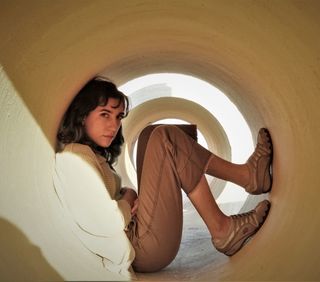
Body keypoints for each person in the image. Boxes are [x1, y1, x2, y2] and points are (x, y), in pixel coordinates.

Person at [54, 76, 273, 276]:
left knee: (150, 134)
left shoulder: (91, 155)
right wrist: (128, 199)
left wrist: (126, 194)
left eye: (118, 116)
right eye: (105, 114)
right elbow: (108, 222)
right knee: (163, 137)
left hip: (139, 234)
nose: (114, 125)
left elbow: (98, 203)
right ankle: (224, 223)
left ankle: (246, 179)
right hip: (141, 250)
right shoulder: (75, 156)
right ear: (82, 117)